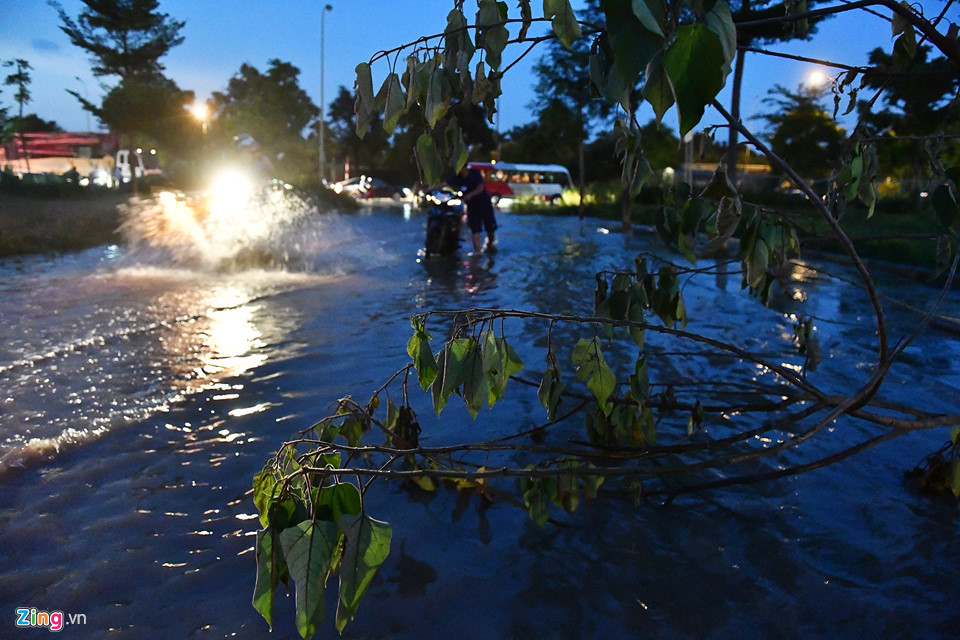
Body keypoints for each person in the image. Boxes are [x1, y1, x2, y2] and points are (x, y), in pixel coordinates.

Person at [448, 164, 498, 254]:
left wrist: (471, 194)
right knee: (475, 230)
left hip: (484, 204)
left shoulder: (475, 173)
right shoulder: (458, 177)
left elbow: (480, 187)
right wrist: (430, 189)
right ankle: (478, 253)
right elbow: (444, 183)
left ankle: (489, 244)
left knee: (490, 229)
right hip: (472, 208)